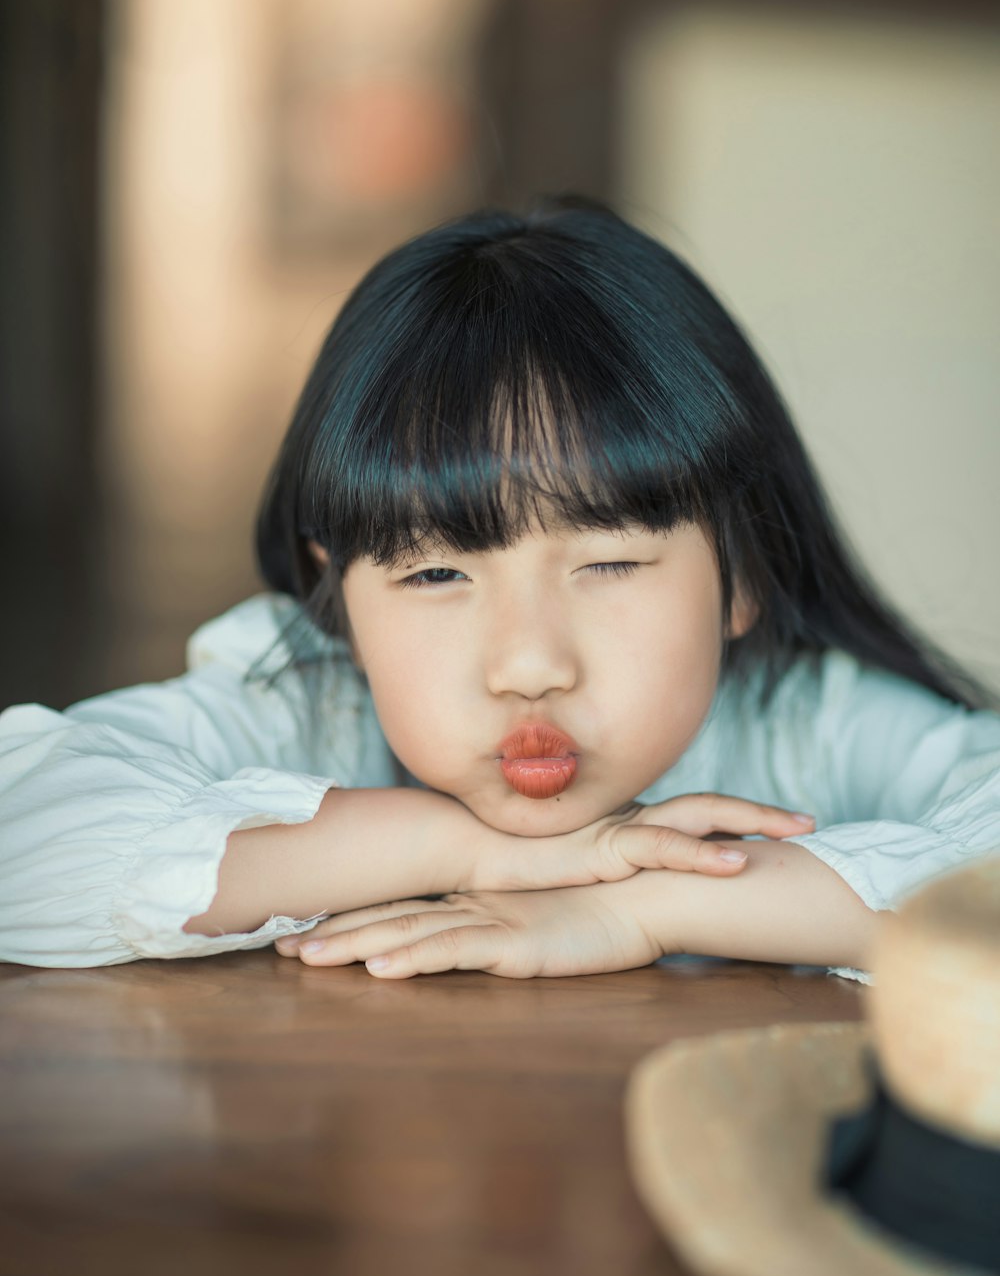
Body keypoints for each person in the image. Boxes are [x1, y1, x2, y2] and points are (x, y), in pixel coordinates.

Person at [2, 195, 998, 980]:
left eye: (607, 563)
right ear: (338, 588)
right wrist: (475, 854)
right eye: (436, 572)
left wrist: (637, 903)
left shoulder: (803, 722)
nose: (528, 663)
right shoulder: (309, 700)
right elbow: (24, 836)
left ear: (740, 570)